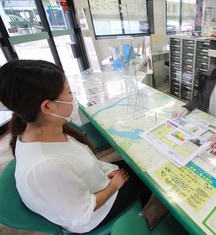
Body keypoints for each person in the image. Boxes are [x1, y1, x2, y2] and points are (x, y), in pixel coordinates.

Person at [0, 60, 167, 233]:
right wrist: (114, 185)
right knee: (151, 178)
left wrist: (105, 171)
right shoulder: (45, 166)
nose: (73, 97)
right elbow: (81, 214)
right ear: (47, 106)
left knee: (140, 165)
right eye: (69, 92)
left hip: (97, 181)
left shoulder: (39, 130)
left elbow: (79, 162)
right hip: (94, 214)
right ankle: (143, 220)